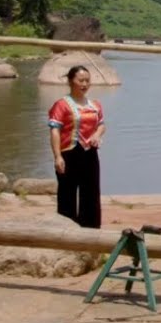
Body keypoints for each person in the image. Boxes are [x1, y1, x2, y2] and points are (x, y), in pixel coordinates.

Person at [47, 65, 106, 228]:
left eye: (87, 81)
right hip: (69, 153)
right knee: (67, 193)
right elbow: (54, 130)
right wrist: (57, 156)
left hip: (89, 153)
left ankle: (91, 230)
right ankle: (66, 230)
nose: (85, 84)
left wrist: (97, 135)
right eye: (81, 80)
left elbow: (101, 125)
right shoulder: (61, 105)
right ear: (71, 81)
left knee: (91, 193)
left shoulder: (95, 105)